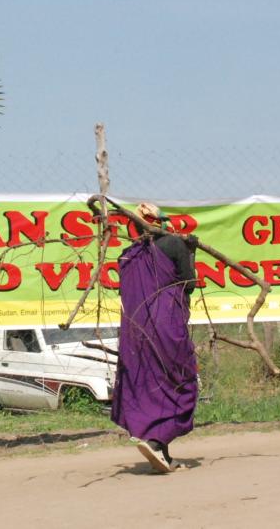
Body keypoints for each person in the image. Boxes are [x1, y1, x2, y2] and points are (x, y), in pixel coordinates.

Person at [111, 202, 198, 473]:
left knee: (149, 382)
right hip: (167, 326)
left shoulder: (126, 256)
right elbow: (189, 283)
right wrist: (190, 251)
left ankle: (162, 453)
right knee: (178, 381)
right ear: (159, 222)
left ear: (134, 226)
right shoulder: (174, 244)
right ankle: (156, 440)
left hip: (136, 331)